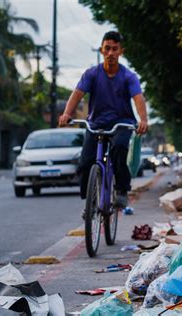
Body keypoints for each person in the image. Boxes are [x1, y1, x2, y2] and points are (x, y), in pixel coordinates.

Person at [59, 31, 148, 213]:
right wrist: (67, 113)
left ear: (121, 51)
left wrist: (143, 120)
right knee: (85, 163)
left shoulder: (128, 77)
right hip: (95, 123)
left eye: (115, 49)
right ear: (101, 50)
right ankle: (90, 202)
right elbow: (77, 94)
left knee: (120, 148)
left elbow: (138, 98)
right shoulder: (91, 74)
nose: (111, 53)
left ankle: (122, 190)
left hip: (121, 123)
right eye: (107, 48)